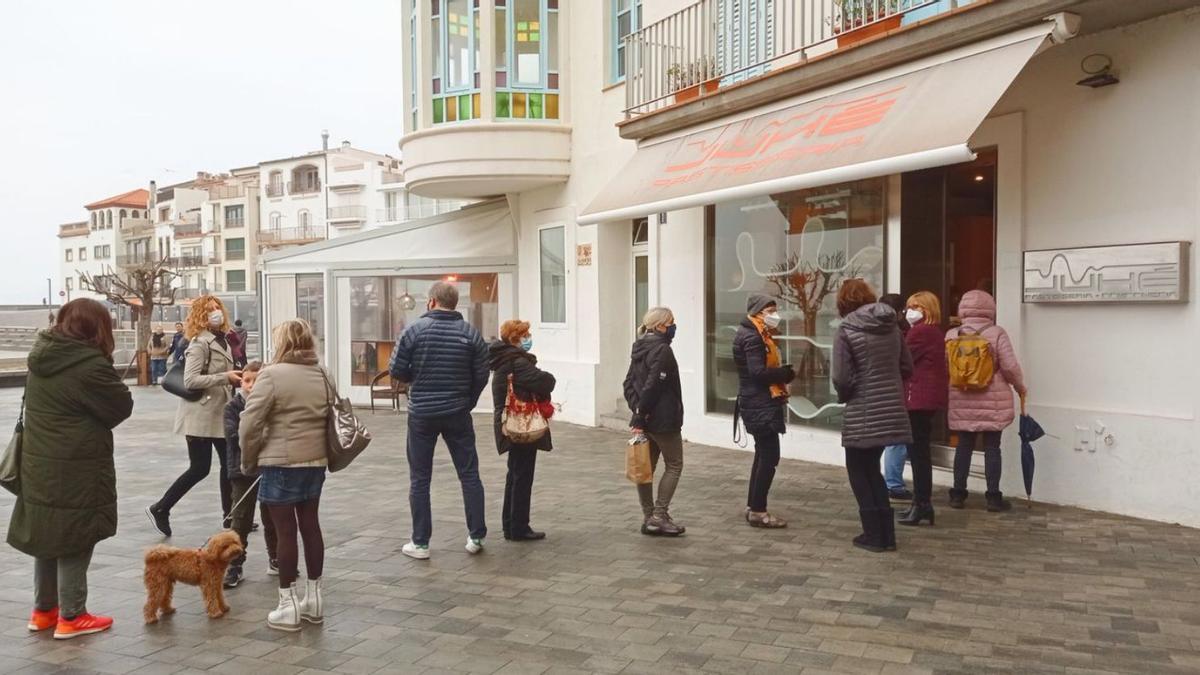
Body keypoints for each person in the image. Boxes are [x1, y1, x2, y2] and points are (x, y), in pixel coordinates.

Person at [9, 299, 133, 638]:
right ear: (97, 328)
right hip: (78, 466)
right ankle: (72, 615)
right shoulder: (90, 366)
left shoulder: (41, 357)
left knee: (47, 534)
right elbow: (121, 406)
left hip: (39, 464)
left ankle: (44, 611)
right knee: (77, 535)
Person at [239, 320, 329, 631]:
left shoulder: (271, 375)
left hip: (279, 462)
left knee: (285, 533)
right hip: (316, 460)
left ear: (282, 343)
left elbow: (250, 422)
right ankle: (314, 599)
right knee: (311, 527)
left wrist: (248, 460)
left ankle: (287, 605)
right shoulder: (322, 372)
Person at [389, 281, 490, 559]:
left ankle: (420, 542)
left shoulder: (414, 331)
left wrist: (417, 380)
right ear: (454, 303)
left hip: (422, 413)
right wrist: (467, 400)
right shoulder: (471, 333)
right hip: (457, 412)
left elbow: (396, 369)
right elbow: (482, 374)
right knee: (469, 473)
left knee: (420, 478)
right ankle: (476, 536)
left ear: (431, 301)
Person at [146, 296, 242, 538]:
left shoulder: (223, 339)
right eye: (209, 310)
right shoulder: (200, 343)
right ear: (201, 315)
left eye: (217, 308)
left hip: (220, 412)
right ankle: (161, 508)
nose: (215, 312)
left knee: (228, 466)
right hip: (201, 414)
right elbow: (190, 380)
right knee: (200, 468)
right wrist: (225, 377)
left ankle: (230, 515)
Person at [832, 280, 912, 553]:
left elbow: (841, 377)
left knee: (858, 469)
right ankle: (886, 535)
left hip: (862, 408)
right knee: (873, 470)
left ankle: (873, 534)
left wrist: (847, 396)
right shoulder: (892, 326)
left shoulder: (846, 329)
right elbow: (907, 366)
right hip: (891, 407)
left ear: (843, 303)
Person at [946, 290, 1027, 512]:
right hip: (993, 400)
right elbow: (1010, 367)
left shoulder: (953, 334)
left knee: (964, 446)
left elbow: (947, 367)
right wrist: (1020, 387)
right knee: (992, 447)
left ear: (963, 308)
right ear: (990, 308)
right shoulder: (996, 333)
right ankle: (993, 497)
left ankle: (958, 494)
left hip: (961, 398)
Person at [488, 320, 556, 541]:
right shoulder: (517, 362)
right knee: (522, 475)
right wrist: (549, 378)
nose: (528, 339)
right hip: (522, 425)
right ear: (515, 339)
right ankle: (519, 526)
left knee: (515, 474)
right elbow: (544, 382)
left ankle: (510, 524)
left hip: (509, 423)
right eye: (525, 336)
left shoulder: (502, 360)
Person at [732, 294, 795, 528]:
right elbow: (757, 373)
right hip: (760, 402)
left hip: (757, 401)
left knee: (763, 454)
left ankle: (753, 506)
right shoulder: (753, 337)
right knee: (769, 456)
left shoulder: (756, 333)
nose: (774, 314)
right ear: (758, 312)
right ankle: (758, 510)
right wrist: (784, 374)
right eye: (770, 310)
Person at [623, 307, 686, 536]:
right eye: (671, 322)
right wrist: (641, 413)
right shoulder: (662, 350)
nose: (673, 326)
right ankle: (659, 514)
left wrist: (638, 410)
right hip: (663, 419)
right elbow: (653, 385)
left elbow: (628, 383)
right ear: (660, 326)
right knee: (674, 464)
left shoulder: (639, 346)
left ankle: (649, 517)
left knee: (645, 469)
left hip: (646, 418)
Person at [222, 361, 279, 588]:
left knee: (272, 517)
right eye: (247, 380)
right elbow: (233, 436)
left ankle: (275, 558)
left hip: (268, 468)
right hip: (242, 469)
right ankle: (235, 564)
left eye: (257, 380)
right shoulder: (232, 407)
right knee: (241, 520)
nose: (251, 385)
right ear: (241, 382)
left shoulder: (272, 404)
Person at [898, 292, 949, 526]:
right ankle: (921, 504)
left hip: (918, 399)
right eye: (909, 306)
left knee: (918, 454)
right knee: (920, 453)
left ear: (927, 309)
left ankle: (921, 504)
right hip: (926, 399)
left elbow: (902, 358)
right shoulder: (934, 332)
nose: (910, 311)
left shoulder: (921, 332)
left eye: (916, 307)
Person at [878, 294, 913, 502]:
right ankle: (894, 484)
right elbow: (907, 366)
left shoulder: (864, 329)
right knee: (896, 440)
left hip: (871, 393)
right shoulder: (897, 332)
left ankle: (882, 483)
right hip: (892, 391)